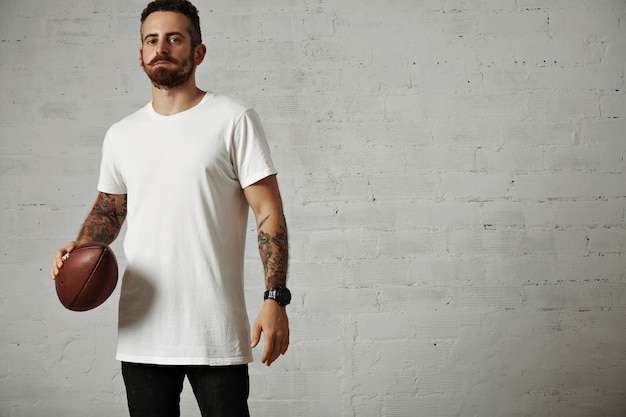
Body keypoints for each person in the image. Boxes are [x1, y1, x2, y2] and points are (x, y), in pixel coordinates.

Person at [50, 0, 291, 415]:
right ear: (141, 54)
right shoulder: (122, 134)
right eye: (151, 40)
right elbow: (109, 212)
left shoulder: (233, 119)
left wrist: (275, 298)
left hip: (215, 330)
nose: (161, 47)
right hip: (143, 330)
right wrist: (81, 250)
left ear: (198, 52)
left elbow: (268, 212)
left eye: (174, 38)